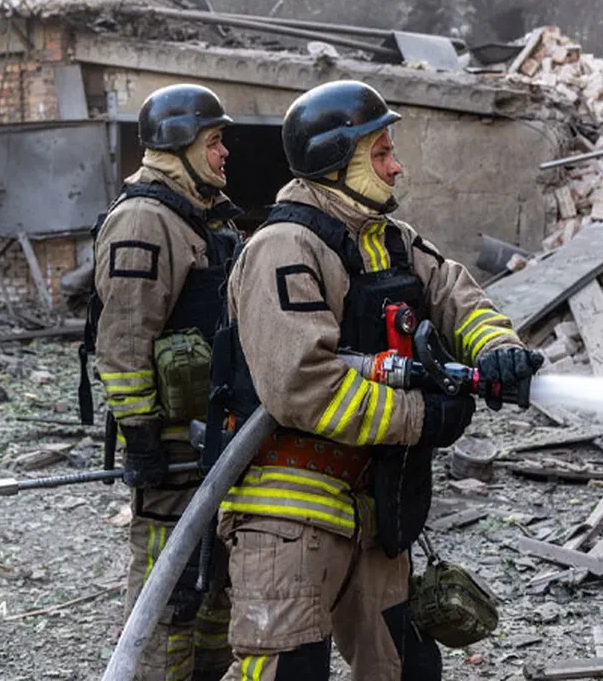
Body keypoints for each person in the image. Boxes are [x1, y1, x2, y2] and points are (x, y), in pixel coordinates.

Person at [215, 80, 544, 680]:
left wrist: (497, 348)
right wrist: (424, 416)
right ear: (335, 161)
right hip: (291, 509)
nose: (398, 168)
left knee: (407, 667)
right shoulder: (285, 248)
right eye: (382, 154)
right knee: (290, 673)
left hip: (375, 505)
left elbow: (455, 296)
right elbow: (303, 387)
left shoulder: (390, 240)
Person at [93, 84, 242, 681]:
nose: (226, 153)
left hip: (215, 442)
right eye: (214, 141)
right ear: (177, 147)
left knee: (214, 593)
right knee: (168, 597)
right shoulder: (144, 221)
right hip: (174, 450)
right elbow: (124, 342)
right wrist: (144, 439)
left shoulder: (198, 217)